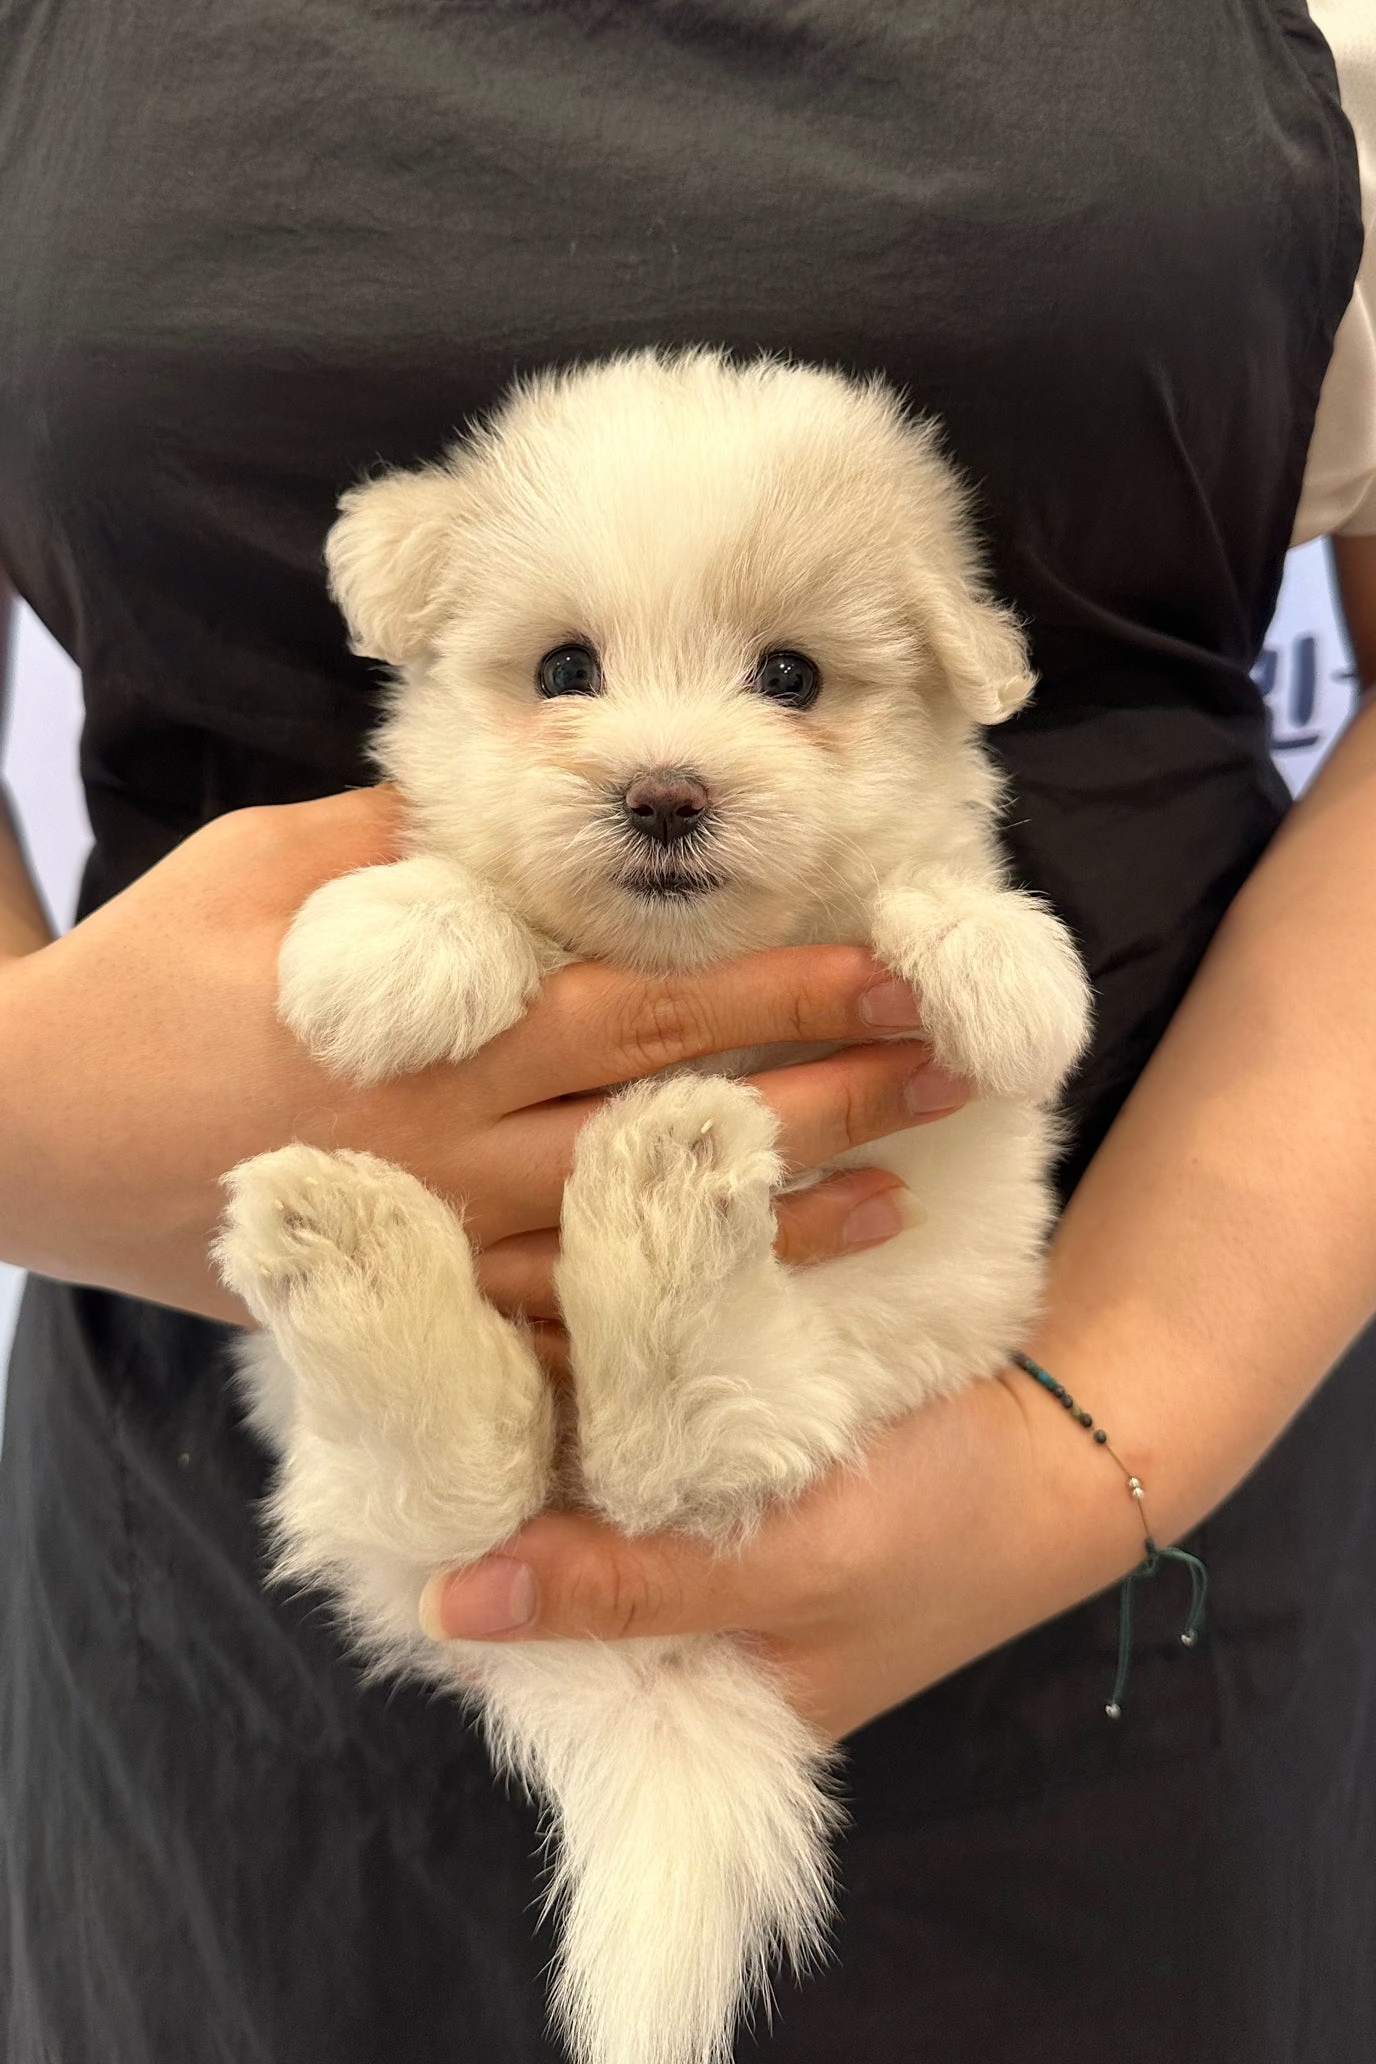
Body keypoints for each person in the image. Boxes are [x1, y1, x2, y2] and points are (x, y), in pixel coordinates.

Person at [0, 2, 1373, 2059]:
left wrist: (1111, 1420)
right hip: (214, 1554)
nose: (654, 762)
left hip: (1122, 1495)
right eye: (563, 668)